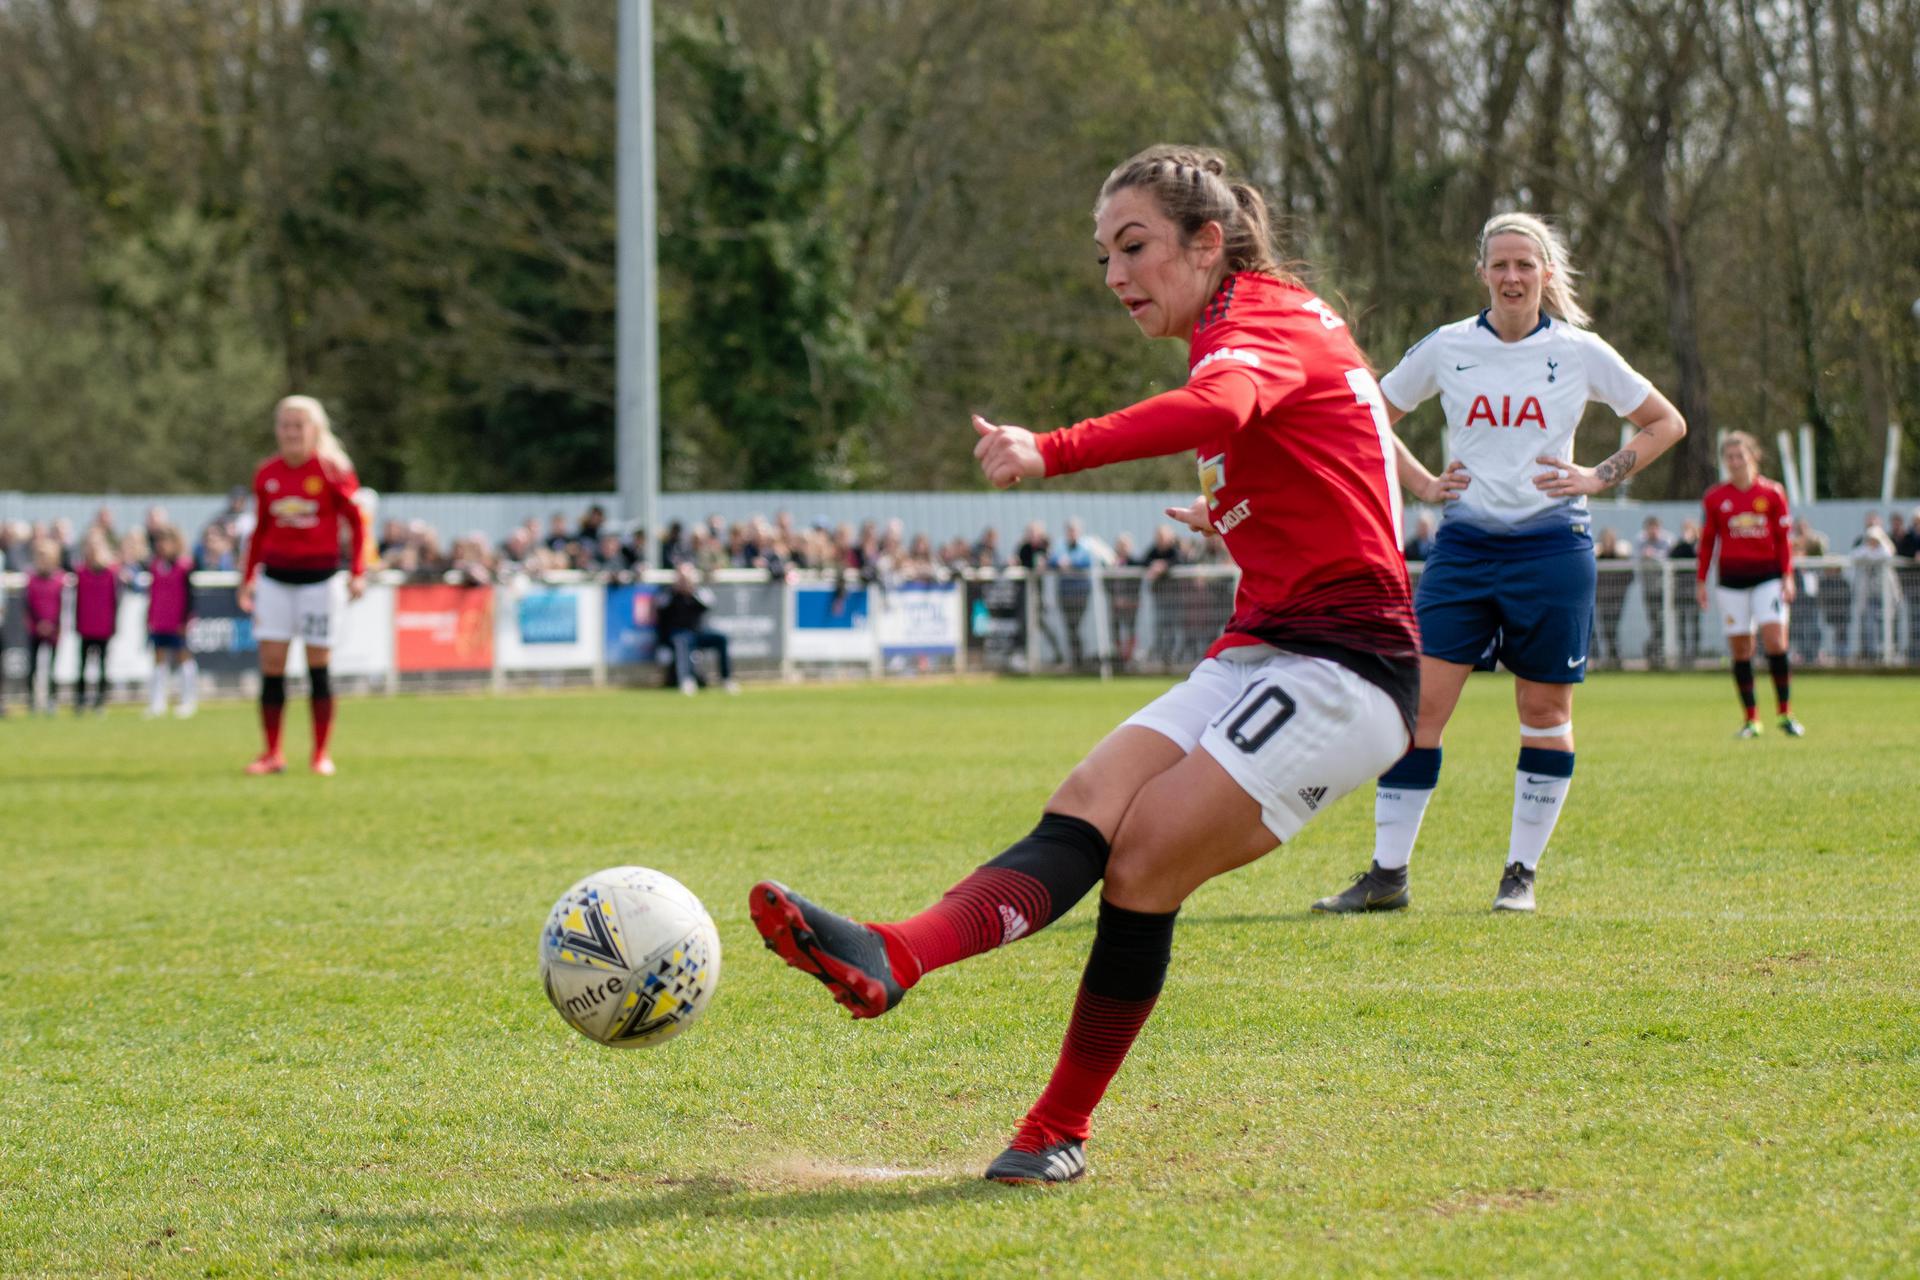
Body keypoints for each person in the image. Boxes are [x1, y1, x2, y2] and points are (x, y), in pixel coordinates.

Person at [747, 144, 1417, 1183]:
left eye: (1135, 246)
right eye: (1104, 254)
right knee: (1090, 800)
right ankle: (895, 952)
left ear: (1208, 241)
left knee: (1144, 857)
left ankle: (1059, 1127)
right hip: (1266, 646)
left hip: (1346, 670)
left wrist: (1050, 447)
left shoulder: (1259, 320)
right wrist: (1239, 508)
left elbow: (1225, 409)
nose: (1115, 277)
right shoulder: (1262, 322)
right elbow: (1319, 449)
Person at [1311, 210, 1686, 916]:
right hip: (1464, 549)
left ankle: (1521, 873)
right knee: (1416, 709)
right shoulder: (1448, 346)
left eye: (1526, 264)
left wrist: (1599, 475)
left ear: (1546, 274)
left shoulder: (1580, 351)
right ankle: (1388, 875)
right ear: (1481, 272)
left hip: (1553, 549)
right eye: (1501, 264)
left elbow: (1666, 421)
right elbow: (1362, 413)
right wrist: (1422, 482)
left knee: (1543, 710)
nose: (1513, 276)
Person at [236, 394, 368, 776]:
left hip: (320, 581)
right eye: (285, 425)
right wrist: (248, 578)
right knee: (272, 664)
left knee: (318, 666)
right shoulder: (267, 473)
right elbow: (259, 530)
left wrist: (357, 571)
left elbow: (357, 522)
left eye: (299, 425)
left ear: (315, 429)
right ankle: (272, 752)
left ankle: (320, 753)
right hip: (276, 580)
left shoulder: (331, 470)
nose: (291, 432)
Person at [1698, 433, 1801, 734]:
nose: (1734, 462)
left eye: (1739, 455)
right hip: (1731, 581)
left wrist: (1788, 576)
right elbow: (1707, 542)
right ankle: (1751, 718)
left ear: (1753, 457)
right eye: (1729, 457)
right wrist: (1701, 580)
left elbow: (1784, 540)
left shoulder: (1772, 493)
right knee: (1741, 650)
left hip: (1767, 577)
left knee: (1775, 641)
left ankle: (1785, 713)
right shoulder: (1715, 497)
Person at [654, 563, 738, 696]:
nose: (684, 581)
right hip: (677, 633)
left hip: (698, 632)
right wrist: (676, 591)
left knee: (722, 639)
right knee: (682, 641)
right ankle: (686, 680)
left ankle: (726, 679)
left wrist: (692, 593)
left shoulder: (698, 592)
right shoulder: (668, 593)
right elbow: (660, 605)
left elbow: (710, 603)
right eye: (682, 578)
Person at [144, 526, 199, 718]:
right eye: (159, 542)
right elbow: (153, 594)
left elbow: (190, 596)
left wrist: (185, 620)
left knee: (183, 658)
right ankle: (157, 702)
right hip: (159, 621)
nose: (162, 546)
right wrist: (149, 617)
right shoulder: (155, 567)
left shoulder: (184, 567)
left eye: (166, 541)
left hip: (178, 621)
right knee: (158, 660)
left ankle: (188, 700)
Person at [72, 534, 120, 715]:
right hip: (85, 626)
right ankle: (81, 700)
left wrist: (113, 624)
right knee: (82, 665)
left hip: (103, 627)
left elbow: (115, 601)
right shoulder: (81, 572)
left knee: (102, 666)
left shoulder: (110, 573)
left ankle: (100, 701)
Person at [24, 540, 65, 715]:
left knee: (52, 668)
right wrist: (39, 623)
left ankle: (51, 701)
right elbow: (29, 604)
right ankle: (32, 701)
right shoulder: (32, 579)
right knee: (32, 667)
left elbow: (62, 605)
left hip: (53, 629)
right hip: (35, 628)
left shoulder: (59, 579)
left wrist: (53, 625)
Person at [1636, 515, 1674, 667]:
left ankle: (1657, 651)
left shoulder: (1667, 540)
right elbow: (1635, 558)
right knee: (1654, 622)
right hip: (1649, 589)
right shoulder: (1640, 540)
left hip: (1666, 591)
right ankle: (1655, 651)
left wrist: (1653, 556)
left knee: (1664, 622)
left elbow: (1668, 559)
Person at [1669, 519, 1701, 665]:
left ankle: (1694, 653)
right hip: (1680, 590)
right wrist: (1683, 542)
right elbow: (1672, 556)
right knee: (1681, 622)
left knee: (1694, 622)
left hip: (1694, 590)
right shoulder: (1679, 545)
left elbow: (1698, 557)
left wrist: (1690, 542)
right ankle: (1682, 653)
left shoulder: (1699, 545)